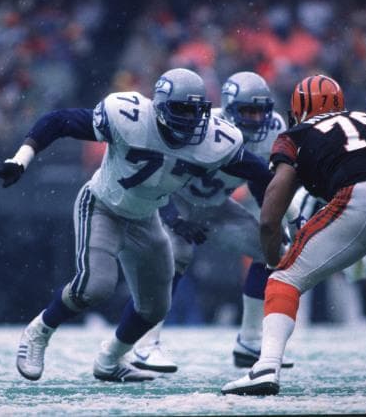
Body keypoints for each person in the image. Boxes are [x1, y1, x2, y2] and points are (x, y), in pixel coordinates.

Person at [0, 68, 273, 382]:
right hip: (103, 206)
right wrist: (21, 159)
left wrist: (299, 180)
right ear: (160, 107)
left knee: (155, 308)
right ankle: (39, 331)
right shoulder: (129, 117)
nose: (190, 119)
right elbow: (59, 120)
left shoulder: (216, 139)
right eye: (181, 109)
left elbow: (260, 173)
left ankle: (109, 360)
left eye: (196, 110)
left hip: (147, 217)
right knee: (95, 287)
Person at [221, 75, 366, 395]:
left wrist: (273, 257)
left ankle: (265, 367)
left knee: (284, 278)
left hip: (363, 197)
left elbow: (269, 215)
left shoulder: (297, 134)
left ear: (298, 110)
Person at [126, 72, 295, 373]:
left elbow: (260, 180)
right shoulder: (202, 124)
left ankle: (250, 341)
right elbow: (157, 178)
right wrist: (173, 218)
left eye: (261, 111)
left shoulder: (273, 130)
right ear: (229, 108)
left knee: (270, 249)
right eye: (247, 111)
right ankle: (144, 343)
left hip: (215, 206)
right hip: (173, 199)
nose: (256, 119)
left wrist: (273, 219)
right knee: (175, 255)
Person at [287, 99, 366, 367]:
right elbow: (304, 197)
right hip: (331, 230)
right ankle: (285, 338)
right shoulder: (343, 154)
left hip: (364, 230)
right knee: (292, 270)